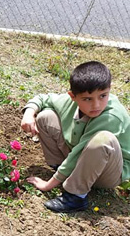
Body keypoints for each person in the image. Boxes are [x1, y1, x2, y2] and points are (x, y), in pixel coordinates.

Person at [22, 61, 130, 213]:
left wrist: (48, 185)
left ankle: (75, 196)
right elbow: (43, 98)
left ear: (109, 90)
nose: (96, 105)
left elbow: (78, 153)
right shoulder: (68, 102)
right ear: (73, 96)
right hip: (83, 157)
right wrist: (28, 113)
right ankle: (62, 171)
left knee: (103, 139)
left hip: (108, 171)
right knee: (45, 117)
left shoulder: (111, 116)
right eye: (88, 99)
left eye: (103, 96)